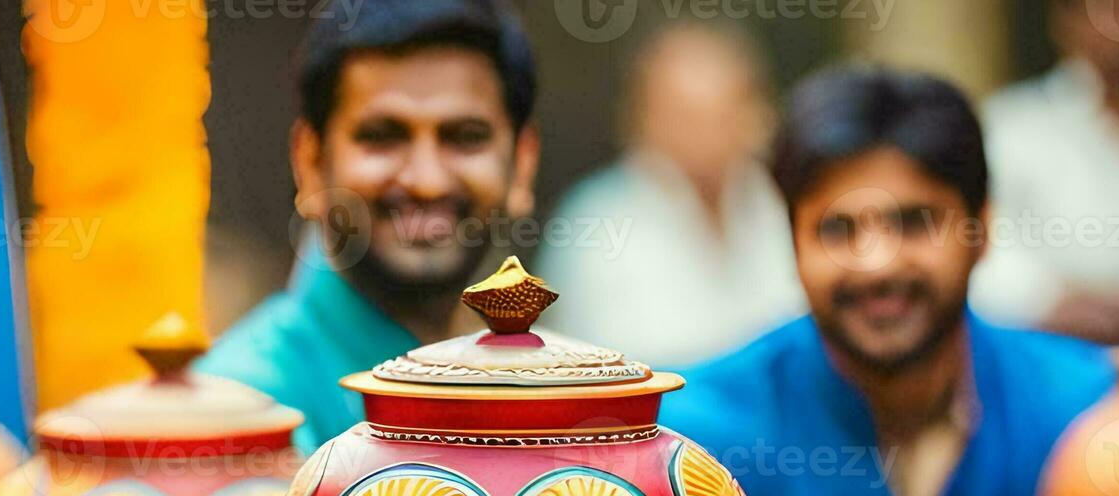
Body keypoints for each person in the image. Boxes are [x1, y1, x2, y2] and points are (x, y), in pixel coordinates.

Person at [659, 66, 1116, 496]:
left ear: (982, 229)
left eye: (915, 223)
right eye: (837, 228)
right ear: (793, 245)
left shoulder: (1088, 423)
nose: (876, 265)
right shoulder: (696, 448)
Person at [198, 0, 540, 452]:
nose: (426, 181)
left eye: (464, 137)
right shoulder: (246, 409)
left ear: (522, 164)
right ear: (310, 163)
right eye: (382, 136)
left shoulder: (556, 392)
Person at [535, 24, 803, 368]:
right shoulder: (594, 221)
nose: (709, 135)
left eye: (724, 113)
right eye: (687, 116)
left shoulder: (781, 205)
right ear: (640, 117)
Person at [971, 0, 1119, 343]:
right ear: (1065, 20)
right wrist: (1059, 303)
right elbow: (984, 259)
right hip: (1060, 370)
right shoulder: (1013, 128)